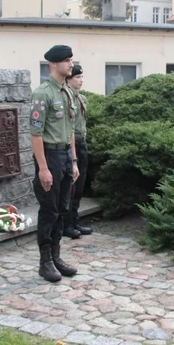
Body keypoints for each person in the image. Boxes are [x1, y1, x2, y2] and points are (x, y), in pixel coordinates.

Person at [30, 44, 80, 283]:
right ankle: (45, 261)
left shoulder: (67, 92)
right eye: (67, 61)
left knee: (62, 209)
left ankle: (57, 255)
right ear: (53, 64)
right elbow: (36, 134)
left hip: (65, 156)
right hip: (49, 157)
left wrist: (74, 161)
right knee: (49, 210)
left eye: (71, 60)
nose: (71, 64)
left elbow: (69, 129)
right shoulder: (43, 93)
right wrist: (43, 168)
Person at [64, 64, 93, 239]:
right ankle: (67, 224)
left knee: (80, 185)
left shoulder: (81, 98)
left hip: (82, 143)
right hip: (70, 145)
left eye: (82, 77)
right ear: (68, 80)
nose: (81, 80)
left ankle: (75, 220)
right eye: (77, 77)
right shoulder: (67, 99)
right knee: (71, 187)